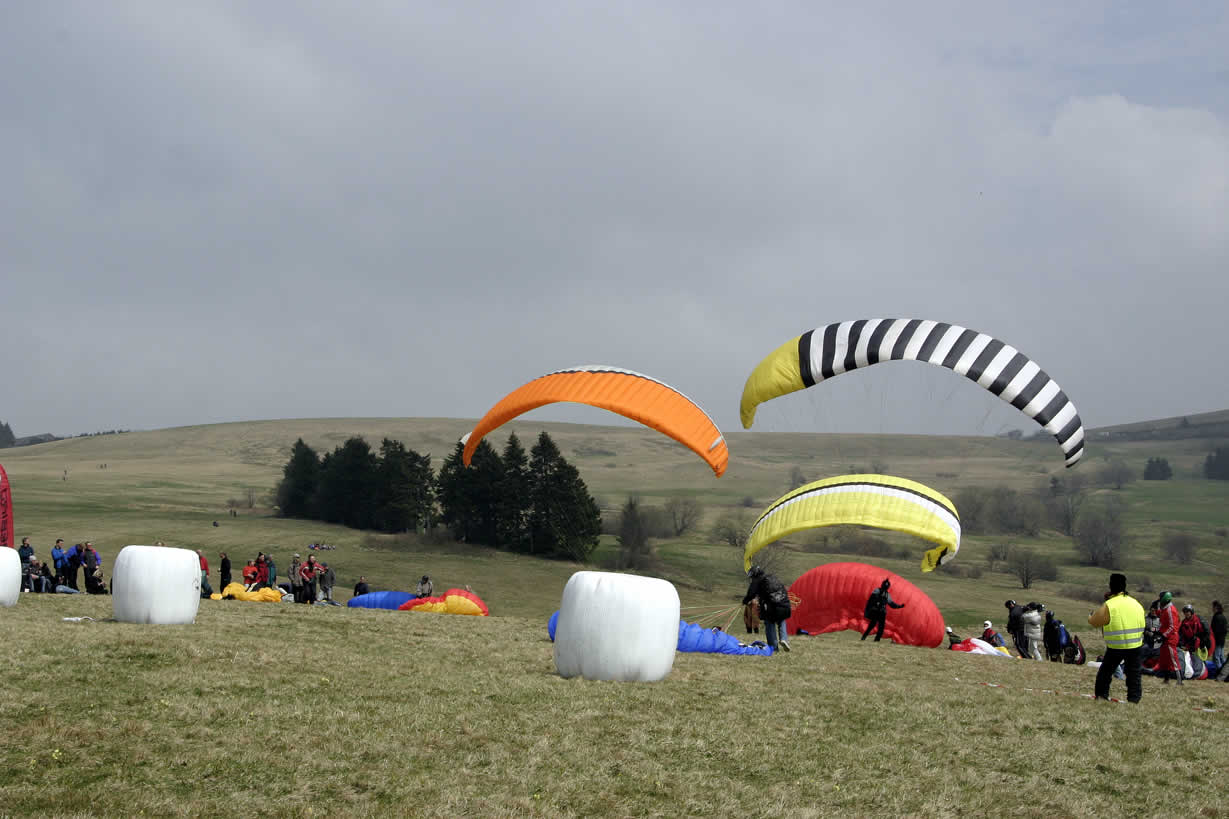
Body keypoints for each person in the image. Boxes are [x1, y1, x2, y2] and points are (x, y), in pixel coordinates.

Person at [1088, 572, 1145, 703]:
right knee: (1134, 674)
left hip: (1116, 645)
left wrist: (1090, 616)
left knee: (1106, 672)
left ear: (1111, 586)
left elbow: (1095, 622)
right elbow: (1142, 623)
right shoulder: (1135, 603)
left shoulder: (1110, 604)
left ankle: (1101, 695)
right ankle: (1134, 699)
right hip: (1135, 645)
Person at [742, 565, 791, 651]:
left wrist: (745, 601)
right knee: (781, 620)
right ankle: (784, 639)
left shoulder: (757, 580)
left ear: (754, 574)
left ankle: (773, 647)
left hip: (772, 605)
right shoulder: (773, 577)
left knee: (769, 623)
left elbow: (751, 593)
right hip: (784, 602)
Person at [1155, 591, 1183, 684]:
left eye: (1160, 598)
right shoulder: (1165, 609)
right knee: (1165, 659)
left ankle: (1180, 680)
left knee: (1173, 658)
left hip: (1171, 638)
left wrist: (1163, 635)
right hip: (1165, 637)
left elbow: (1172, 627)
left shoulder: (1170, 610)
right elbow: (1160, 616)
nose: (1159, 600)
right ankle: (1166, 679)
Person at [1211, 601, 1226, 669]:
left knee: (1216, 657)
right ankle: (1225, 670)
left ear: (1216, 608)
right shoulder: (1222, 616)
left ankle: (1220, 672)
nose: (1212, 609)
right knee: (1221, 657)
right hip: (1222, 640)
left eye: (1213, 607)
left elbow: (1216, 630)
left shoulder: (1217, 617)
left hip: (1217, 641)